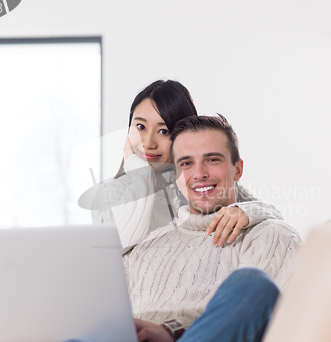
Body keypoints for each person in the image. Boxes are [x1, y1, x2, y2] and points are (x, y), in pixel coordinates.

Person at [37, 115, 301, 342]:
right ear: (175, 176)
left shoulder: (269, 235)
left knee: (254, 286)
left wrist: (172, 332)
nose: (199, 174)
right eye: (186, 163)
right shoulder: (145, 245)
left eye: (212, 159)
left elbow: (279, 330)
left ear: (238, 169)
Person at [81, 80, 284, 250]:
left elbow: (273, 214)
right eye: (140, 127)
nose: (148, 143)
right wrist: (141, 175)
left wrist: (246, 212)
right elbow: (119, 246)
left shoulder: (198, 184)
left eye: (164, 131)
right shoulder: (107, 193)